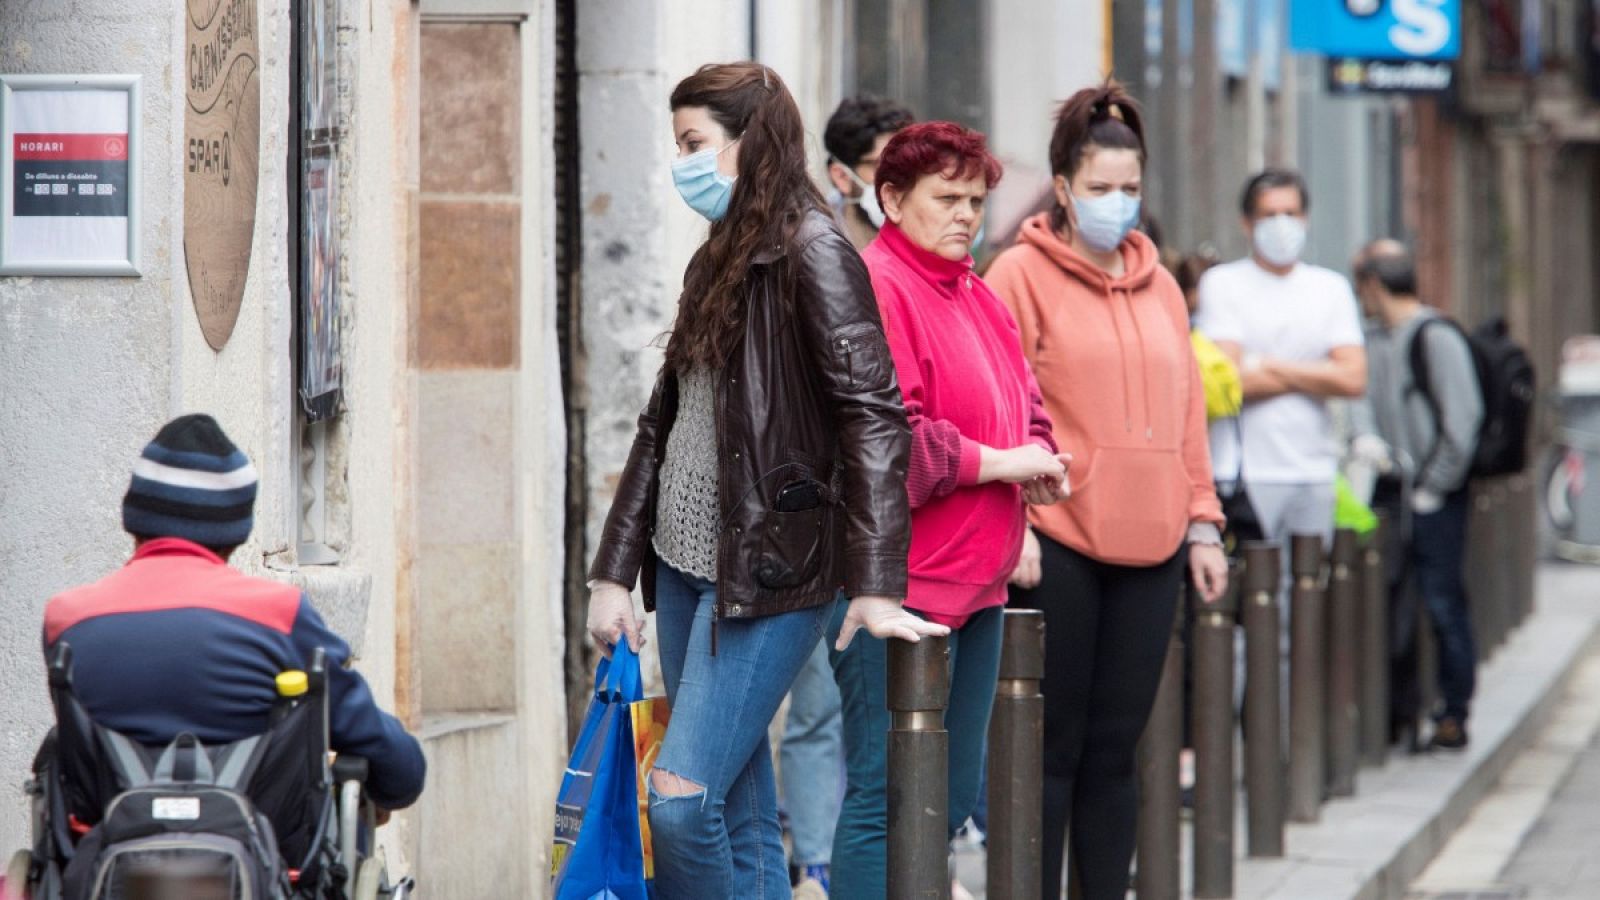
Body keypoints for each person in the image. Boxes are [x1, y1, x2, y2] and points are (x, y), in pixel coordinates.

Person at [583, 62, 946, 899]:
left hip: (773, 570)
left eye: (694, 144)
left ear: (752, 144)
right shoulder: (717, 258)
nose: (682, 163)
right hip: (680, 567)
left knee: (677, 802)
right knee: (738, 814)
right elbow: (661, 427)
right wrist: (614, 574)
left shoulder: (817, 254)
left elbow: (874, 416)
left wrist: (878, 582)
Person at [985, 83, 1228, 899]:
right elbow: (998, 400)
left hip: (1155, 543)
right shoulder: (1018, 274)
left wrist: (1203, 522)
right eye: (1100, 190)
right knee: (1054, 746)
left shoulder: (1160, 285)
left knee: (1119, 751)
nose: (1117, 205)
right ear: (1061, 187)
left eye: (1130, 189)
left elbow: (1187, 410)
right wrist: (1014, 523)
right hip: (1059, 539)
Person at [825, 119, 1067, 900]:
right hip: (897, 585)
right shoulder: (877, 286)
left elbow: (1025, 403)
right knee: (886, 795)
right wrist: (1001, 462)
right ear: (891, 198)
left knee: (951, 798)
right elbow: (891, 442)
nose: (965, 214)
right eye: (946, 198)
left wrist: (1039, 462)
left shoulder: (976, 292)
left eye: (975, 199)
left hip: (980, 581)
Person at [43, 414, 426, 815]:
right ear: (234, 533)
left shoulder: (67, 619)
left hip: (102, 854)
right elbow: (376, 745)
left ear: (134, 520)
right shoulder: (280, 615)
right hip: (258, 861)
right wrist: (402, 773)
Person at [778, 92, 915, 897]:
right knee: (817, 702)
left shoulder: (920, 258)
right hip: (817, 514)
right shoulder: (819, 249)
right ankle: (819, 864)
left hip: (891, 514)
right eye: (884, 171)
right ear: (841, 175)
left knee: (885, 704)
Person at [1352, 240, 1483, 750]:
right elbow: (1360, 401)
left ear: (1374, 286)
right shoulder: (1371, 339)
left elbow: (1463, 422)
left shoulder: (1436, 336)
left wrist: (1434, 486)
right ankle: (1398, 713)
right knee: (1392, 605)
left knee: (1443, 602)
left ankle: (1453, 711)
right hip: (1390, 492)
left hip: (1436, 497)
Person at [1193, 168, 1367, 547]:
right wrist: (1319, 373)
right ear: (1247, 222)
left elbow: (1353, 379)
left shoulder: (1330, 288)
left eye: (1290, 213)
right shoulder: (1223, 283)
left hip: (1315, 469)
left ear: (1305, 218)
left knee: (1306, 590)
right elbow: (1230, 383)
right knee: (1251, 590)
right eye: (1269, 215)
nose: (1281, 224)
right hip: (1243, 472)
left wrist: (1269, 365)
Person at [823, 94, 916, 250]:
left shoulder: (930, 240)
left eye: (909, 164)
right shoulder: (819, 248)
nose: (901, 179)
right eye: (886, 166)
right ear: (842, 177)